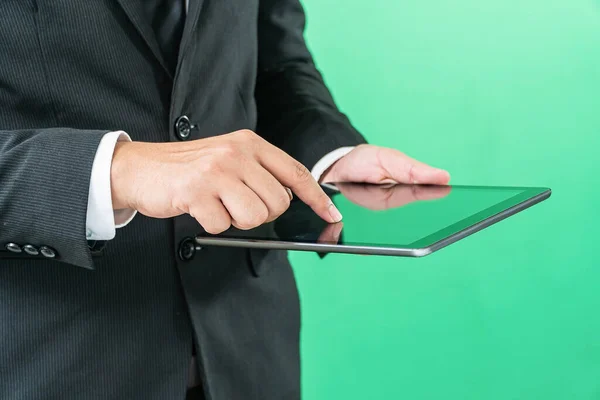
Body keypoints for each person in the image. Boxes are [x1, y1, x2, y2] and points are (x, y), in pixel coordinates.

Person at [0, 1, 450, 399]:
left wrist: (329, 154)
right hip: (46, 361)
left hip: (249, 351)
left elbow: (275, 66)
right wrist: (116, 170)